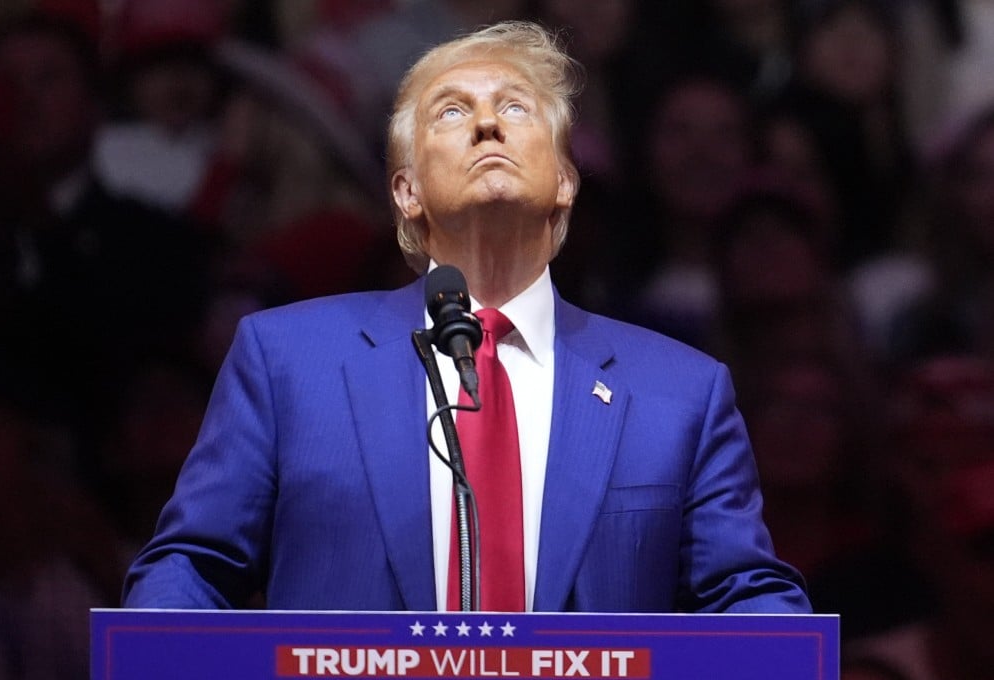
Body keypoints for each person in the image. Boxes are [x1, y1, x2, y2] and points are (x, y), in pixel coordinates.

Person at [123, 21, 810, 614]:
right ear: (407, 191)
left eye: (516, 108)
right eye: (452, 112)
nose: (487, 124)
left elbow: (747, 601)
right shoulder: (287, 360)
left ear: (566, 182)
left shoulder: (682, 393)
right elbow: (191, 568)